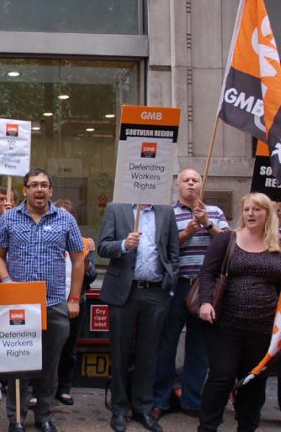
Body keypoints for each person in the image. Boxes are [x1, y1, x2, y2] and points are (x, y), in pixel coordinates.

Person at [0, 168, 85, 432]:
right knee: (19, 364)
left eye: (44, 184)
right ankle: (16, 418)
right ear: (25, 190)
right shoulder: (9, 219)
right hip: (20, 304)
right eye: (33, 184)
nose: (39, 189)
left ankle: (44, 415)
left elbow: (78, 260)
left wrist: (74, 299)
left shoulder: (65, 220)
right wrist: (7, 282)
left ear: (51, 190)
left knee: (49, 366)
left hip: (55, 303)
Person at [197, 192, 281, 432]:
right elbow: (208, 273)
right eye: (246, 209)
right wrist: (205, 302)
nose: (250, 214)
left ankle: (247, 427)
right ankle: (207, 427)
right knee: (221, 378)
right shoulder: (227, 239)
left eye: (257, 209)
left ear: (268, 214)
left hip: (264, 329)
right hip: (226, 325)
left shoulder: (278, 244)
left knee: (254, 383)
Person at [152, 169, 228, 420]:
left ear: (202, 184)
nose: (191, 184)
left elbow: (230, 244)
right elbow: (162, 248)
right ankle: (161, 398)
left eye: (195, 180)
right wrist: (188, 232)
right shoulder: (167, 214)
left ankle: (192, 400)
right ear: (178, 186)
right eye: (186, 180)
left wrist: (207, 224)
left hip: (207, 290)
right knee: (166, 345)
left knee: (200, 347)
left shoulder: (215, 212)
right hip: (177, 286)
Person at [97, 202, 179, 432]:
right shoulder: (117, 209)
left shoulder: (166, 212)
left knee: (149, 353)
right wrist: (124, 244)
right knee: (120, 352)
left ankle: (143, 407)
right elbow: (102, 247)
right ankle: (120, 409)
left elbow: (173, 251)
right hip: (124, 291)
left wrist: (169, 284)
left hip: (155, 292)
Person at [53, 199, 97, 407]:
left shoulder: (82, 242)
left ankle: (64, 388)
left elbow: (90, 277)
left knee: (69, 348)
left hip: (75, 301)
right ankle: (42, 387)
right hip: (51, 301)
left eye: (68, 215)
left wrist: (88, 259)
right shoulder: (48, 238)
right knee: (47, 348)